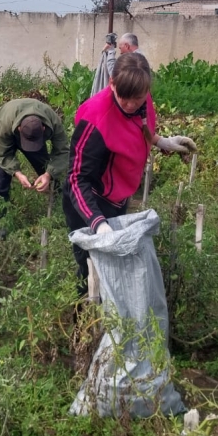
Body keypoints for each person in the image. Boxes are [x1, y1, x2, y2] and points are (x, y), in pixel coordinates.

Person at [63, 53, 196, 294]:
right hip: (90, 201)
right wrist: (97, 223)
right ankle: (84, 323)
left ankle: (113, 320)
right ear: (112, 83)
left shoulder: (140, 96)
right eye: (124, 98)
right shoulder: (96, 119)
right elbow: (75, 179)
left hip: (118, 197)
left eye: (137, 98)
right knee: (92, 271)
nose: (131, 105)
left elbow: (138, 125)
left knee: (115, 271)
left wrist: (160, 141)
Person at [0, 98, 69, 203]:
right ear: (19, 129)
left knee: (44, 166)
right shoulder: (4, 125)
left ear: (43, 128)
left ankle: (59, 200)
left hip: (28, 124)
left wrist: (48, 174)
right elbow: (4, 155)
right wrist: (17, 173)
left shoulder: (53, 121)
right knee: (4, 171)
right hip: (7, 121)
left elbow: (63, 151)